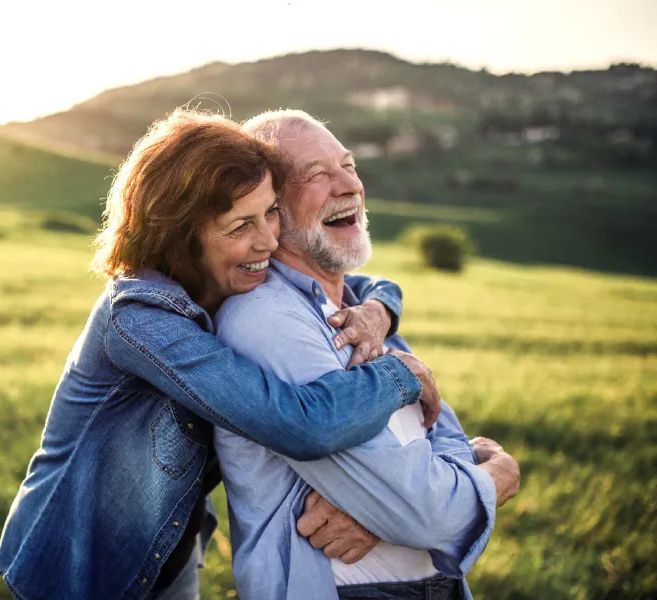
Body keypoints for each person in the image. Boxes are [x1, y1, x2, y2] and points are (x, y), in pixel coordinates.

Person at [0, 110, 442, 600]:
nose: (269, 240)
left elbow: (359, 284)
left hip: (169, 554)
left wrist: (378, 311)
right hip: (80, 567)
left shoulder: (225, 279)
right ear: (182, 235)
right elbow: (297, 424)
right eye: (240, 226)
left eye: (270, 211)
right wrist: (400, 375)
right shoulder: (140, 319)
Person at [214, 110, 521, 600]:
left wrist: (388, 514)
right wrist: (498, 475)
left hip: (437, 584)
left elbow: (444, 441)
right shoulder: (265, 319)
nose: (348, 186)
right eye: (317, 174)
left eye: (349, 165)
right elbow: (424, 512)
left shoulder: (363, 314)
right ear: (271, 210)